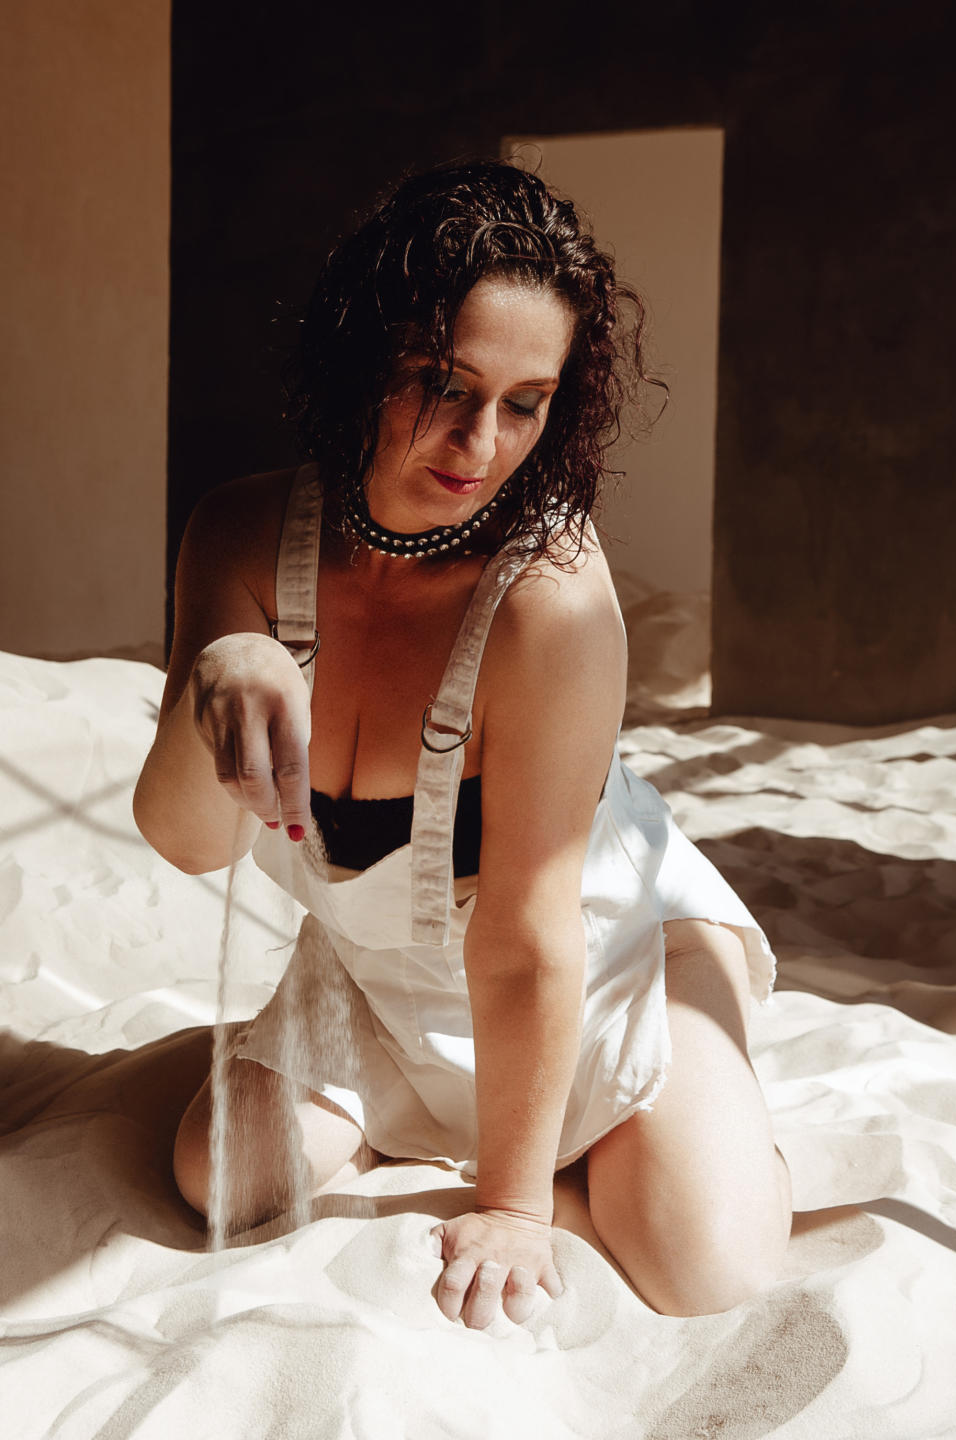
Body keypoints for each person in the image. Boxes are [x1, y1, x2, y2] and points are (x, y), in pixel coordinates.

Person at [133, 158, 792, 1331]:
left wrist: (514, 1204)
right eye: (443, 383)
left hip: (591, 959)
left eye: (525, 402)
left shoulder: (552, 597)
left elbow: (530, 936)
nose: (479, 443)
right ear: (362, 359)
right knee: (216, 1179)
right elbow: (189, 843)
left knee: (703, 1265)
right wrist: (222, 669)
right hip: (377, 972)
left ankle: (709, 1015)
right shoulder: (240, 535)